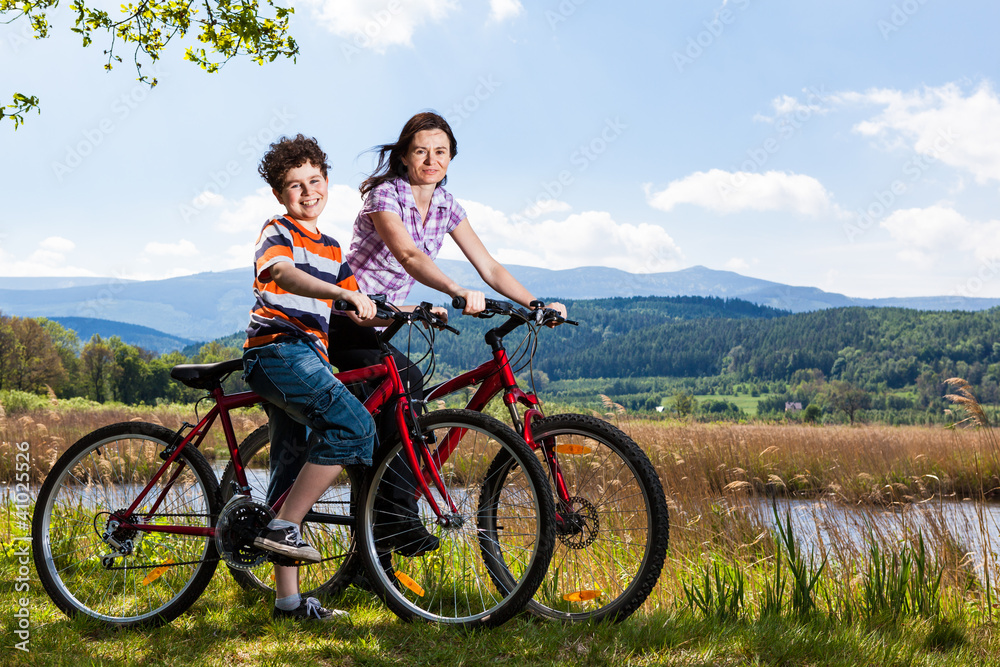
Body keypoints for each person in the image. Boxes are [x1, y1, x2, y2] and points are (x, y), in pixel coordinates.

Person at [329, 111, 567, 556]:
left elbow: (490, 266)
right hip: (346, 317)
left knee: (405, 401)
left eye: (441, 152)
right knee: (406, 389)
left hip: (386, 322)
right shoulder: (384, 197)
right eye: (421, 151)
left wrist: (534, 302)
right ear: (403, 156)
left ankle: (377, 524)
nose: (431, 159)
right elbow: (408, 254)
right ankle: (394, 520)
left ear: (451, 159)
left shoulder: (448, 206)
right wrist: (457, 290)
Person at [242, 134, 377, 622]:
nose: (307, 192)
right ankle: (283, 527)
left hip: (307, 359)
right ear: (280, 195)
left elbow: (361, 308)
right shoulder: (277, 230)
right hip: (278, 351)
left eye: (315, 180)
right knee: (356, 427)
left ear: (327, 181)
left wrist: (415, 312)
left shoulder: (332, 246)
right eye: (294, 185)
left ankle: (288, 603)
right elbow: (284, 275)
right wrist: (343, 296)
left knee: (289, 467)